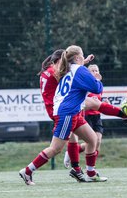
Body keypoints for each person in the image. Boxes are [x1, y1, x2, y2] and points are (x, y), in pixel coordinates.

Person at [36, 49, 127, 183]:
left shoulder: (47, 71)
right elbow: (68, 72)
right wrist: (85, 70)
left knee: (83, 138)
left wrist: (82, 62)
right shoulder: (55, 71)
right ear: (59, 61)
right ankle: (123, 114)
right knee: (94, 104)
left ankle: (79, 170)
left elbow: (67, 70)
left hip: (59, 106)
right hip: (64, 106)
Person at [19, 45, 108, 185]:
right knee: (56, 148)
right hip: (65, 113)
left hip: (70, 111)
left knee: (92, 139)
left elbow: (69, 69)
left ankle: (90, 173)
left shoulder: (54, 71)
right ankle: (28, 171)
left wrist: (82, 62)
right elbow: (92, 85)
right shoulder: (60, 71)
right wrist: (94, 77)